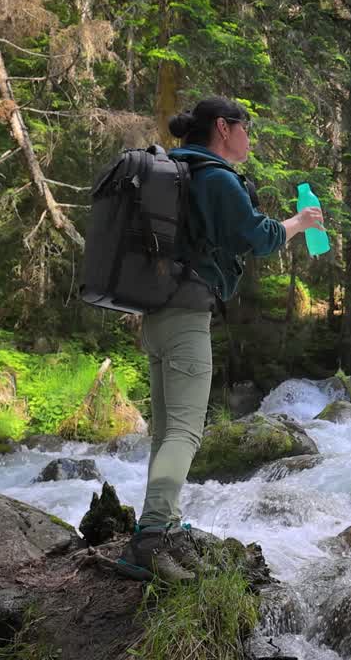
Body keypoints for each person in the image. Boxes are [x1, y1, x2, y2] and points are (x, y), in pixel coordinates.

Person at [116, 96, 324, 582]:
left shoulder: (176, 171)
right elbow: (260, 237)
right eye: (245, 129)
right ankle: (149, 541)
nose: (249, 138)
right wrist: (300, 223)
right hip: (187, 313)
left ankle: (163, 524)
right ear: (224, 129)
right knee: (185, 433)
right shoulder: (215, 177)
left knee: (166, 431)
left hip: (156, 315)